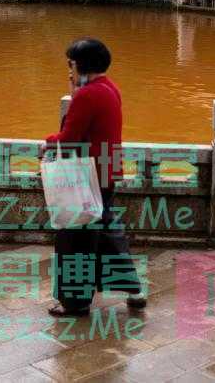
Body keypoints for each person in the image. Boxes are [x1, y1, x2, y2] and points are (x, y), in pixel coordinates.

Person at [43, 38, 145, 316]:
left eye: (71, 65)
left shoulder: (87, 96)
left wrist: (47, 142)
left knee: (76, 238)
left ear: (82, 65)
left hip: (86, 179)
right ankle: (134, 290)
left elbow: (69, 138)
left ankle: (75, 303)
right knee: (105, 234)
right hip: (106, 173)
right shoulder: (109, 88)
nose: (69, 71)